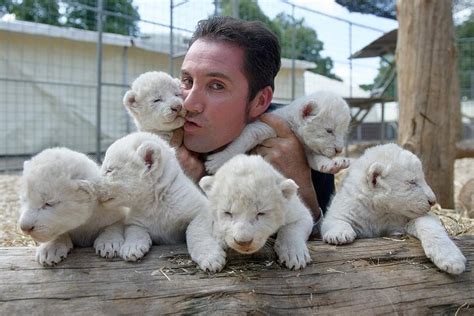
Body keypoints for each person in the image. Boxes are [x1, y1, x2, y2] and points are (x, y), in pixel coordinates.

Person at [171, 16, 334, 233]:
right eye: (187, 81)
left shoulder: (303, 146)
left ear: (260, 101)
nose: (189, 104)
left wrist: (302, 190)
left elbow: (332, 247)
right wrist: (174, 186)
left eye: (216, 85)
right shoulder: (160, 134)